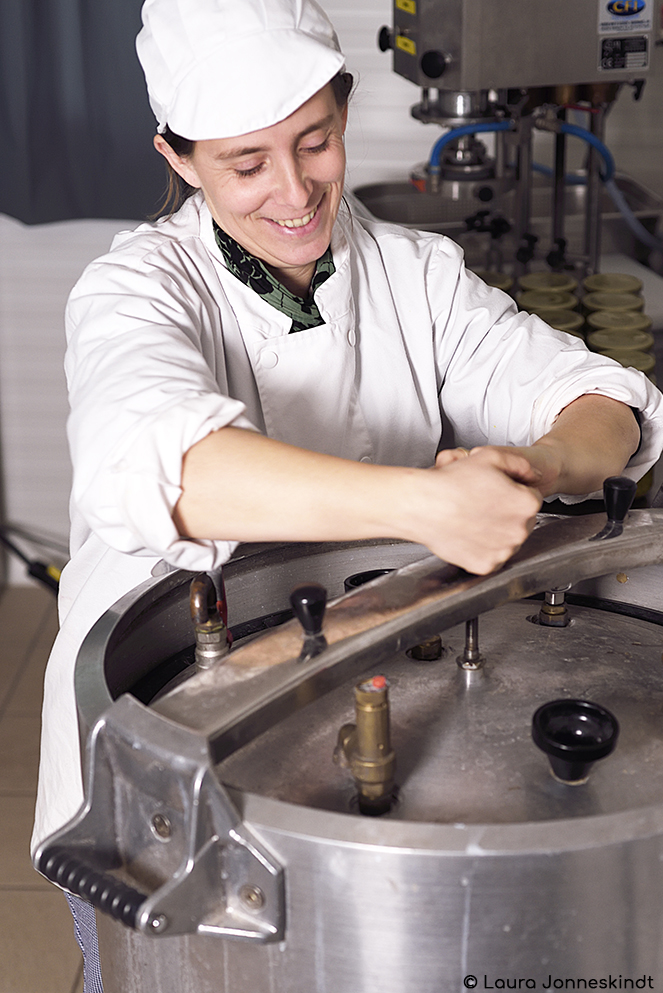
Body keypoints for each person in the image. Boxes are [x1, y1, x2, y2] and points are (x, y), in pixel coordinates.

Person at [32, 0, 663, 988]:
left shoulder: (417, 273)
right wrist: (422, 505)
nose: (293, 193)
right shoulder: (139, 290)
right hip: (172, 751)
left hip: (391, 696)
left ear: (342, 110)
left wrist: (540, 468)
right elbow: (156, 466)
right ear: (179, 157)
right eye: (246, 163)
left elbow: (600, 397)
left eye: (315, 142)